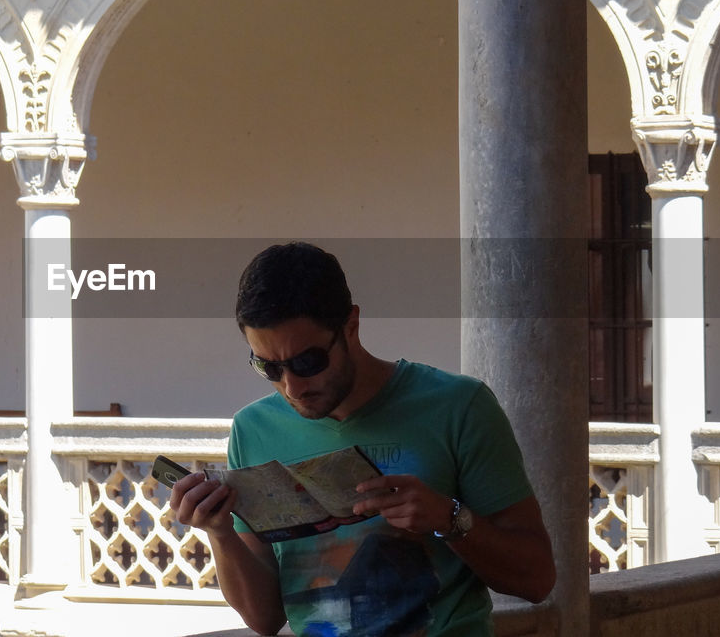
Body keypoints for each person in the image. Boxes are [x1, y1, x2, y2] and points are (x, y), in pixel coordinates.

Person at [169, 242, 555, 637]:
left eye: (308, 362)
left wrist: (448, 518)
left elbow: (537, 579)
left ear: (351, 325)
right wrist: (219, 532)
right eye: (267, 367)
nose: (292, 387)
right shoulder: (253, 430)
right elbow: (265, 619)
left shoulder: (458, 407)